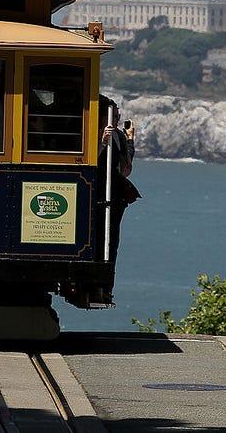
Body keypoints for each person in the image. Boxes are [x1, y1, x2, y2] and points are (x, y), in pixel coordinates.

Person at [94, 96, 141, 304]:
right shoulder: (91, 133)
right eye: (113, 116)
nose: (117, 120)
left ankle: (105, 286)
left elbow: (126, 168)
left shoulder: (120, 137)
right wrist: (102, 142)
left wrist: (130, 141)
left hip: (114, 195)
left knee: (112, 240)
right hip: (95, 193)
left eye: (118, 116)